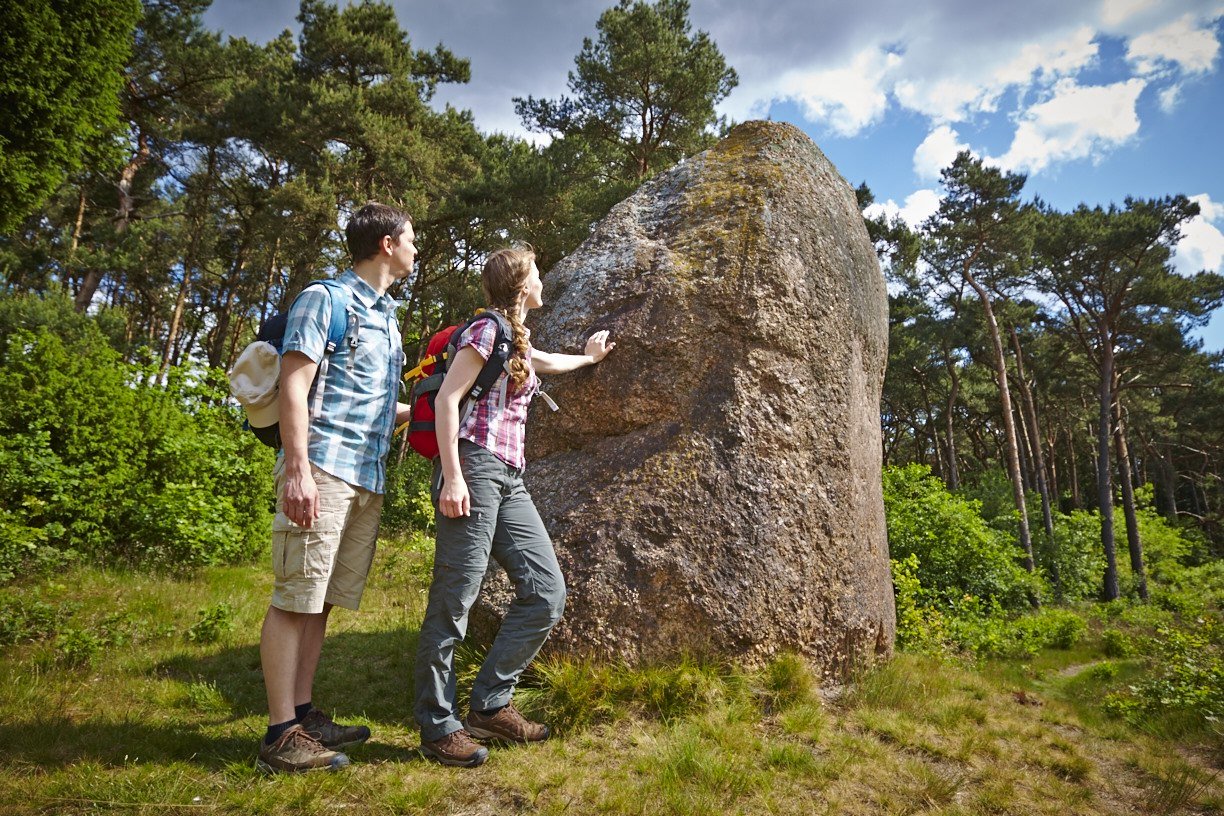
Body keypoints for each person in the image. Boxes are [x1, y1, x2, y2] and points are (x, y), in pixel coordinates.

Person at [413, 246, 615, 767]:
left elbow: (547, 363)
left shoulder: (516, 339)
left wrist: (590, 358)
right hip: (474, 469)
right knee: (455, 598)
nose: (544, 280)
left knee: (546, 592)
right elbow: (446, 401)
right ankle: (438, 727)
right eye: (538, 274)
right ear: (522, 283)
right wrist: (453, 478)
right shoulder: (486, 332)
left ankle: (489, 705)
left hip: (510, 477)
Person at [256, 202, 415, 773]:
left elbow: (372, 405)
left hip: (365, 474)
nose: (416, 250)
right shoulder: (326, 299)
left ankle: (304, 713)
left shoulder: (388, 317)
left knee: (319, 600)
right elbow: (295, 388)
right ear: (389, 243)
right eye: (412, 239)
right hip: (322, 466)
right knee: (294, 595)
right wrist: (297, 468)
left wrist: (437, 399)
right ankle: (279, 735)